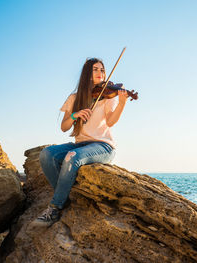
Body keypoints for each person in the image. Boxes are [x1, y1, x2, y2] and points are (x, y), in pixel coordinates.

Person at [32, 58, 128, 227]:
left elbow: (111, 122)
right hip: (80, 144)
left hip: (102, 146)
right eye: (96, 70)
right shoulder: (74, 97)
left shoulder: (107, 96)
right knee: (46, 154)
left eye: (102, 70)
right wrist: (75, 115)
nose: (100, 73)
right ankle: (65, 197)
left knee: (72, 156)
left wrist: (121, 103)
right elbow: (64, 127)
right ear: (87, 75)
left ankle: (54, 209)